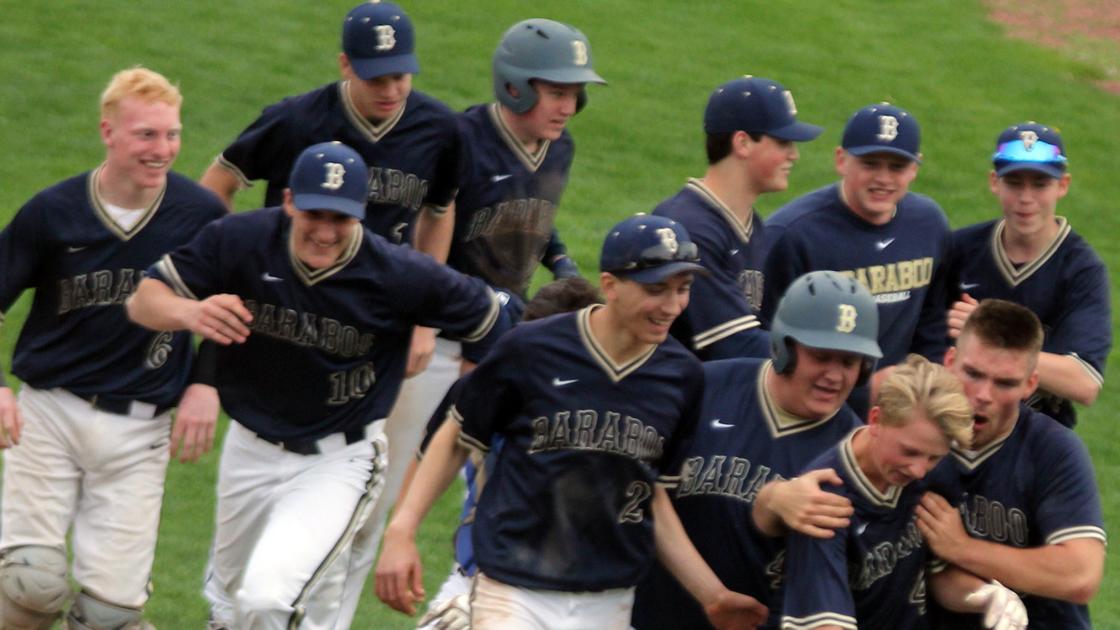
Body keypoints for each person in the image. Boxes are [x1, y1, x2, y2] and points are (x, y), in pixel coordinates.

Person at [126, 141, 508, 630]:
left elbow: (492, 321)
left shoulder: (398, 273)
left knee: (266, 601)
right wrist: (190, 312)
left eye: (341, 218)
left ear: (361, 215)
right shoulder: (241, 240)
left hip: (339, 461)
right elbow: (143, 300)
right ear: (288, 201)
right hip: (249, 447)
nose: (325, 232)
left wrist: (472, 385)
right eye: (315, 214)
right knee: (228, 610)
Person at [376, 214, 768, 629]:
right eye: (656, 290)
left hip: (610, 600)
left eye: (683, 290)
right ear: (611, 285)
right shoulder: (532, 348)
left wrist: (712, 594)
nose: (671, 306)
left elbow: (648, 492)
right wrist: (401, 530)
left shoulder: (682, 377)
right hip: (514, 587)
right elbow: (458, 436)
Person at [373, 16, 608, 580]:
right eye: (556, 91)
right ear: (515, 85)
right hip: (439, 343)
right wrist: (423, 323)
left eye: (575, 93)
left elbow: (532, 216)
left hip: (503, 343)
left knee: (499, 491)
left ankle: (470, 602)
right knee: (380, 496)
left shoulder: (559, 148)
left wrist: (563, 262)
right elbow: (421, 230)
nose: (568, 106)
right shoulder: (461, 141)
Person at [0, 67, 227, 630]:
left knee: (108, 616)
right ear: (108, 132)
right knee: (31, 584)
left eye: (172, 135)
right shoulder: (53, 212)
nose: (163, 149)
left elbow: (235, 309)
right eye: (146, 135)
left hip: (142, 429)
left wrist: (205, 382)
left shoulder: (201, 216)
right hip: (49, 414)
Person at [631, 270, 881, 629]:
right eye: (821, 356)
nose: (834, 376)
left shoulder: (855, 453)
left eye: (849, 362)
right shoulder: (705, 387)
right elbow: (641, 494)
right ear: (784, 348)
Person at [394, 277, 605, 630]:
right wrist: (401, 533)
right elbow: (430, 453)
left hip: (574, 597)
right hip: (479, 579)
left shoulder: (617, 409)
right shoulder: (487, 388)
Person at [770, 355, 1027, 629]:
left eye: (933, 457)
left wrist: (986, 596)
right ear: (876, 419)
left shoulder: (934, 473)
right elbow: (824, 624)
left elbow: (939, 576)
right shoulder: (823, 502)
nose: (918, 470)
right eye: (909, 452)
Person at [199, 1, 459, 251]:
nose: (390, 91)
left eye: (399, 77)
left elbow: (441, 208)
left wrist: (430, 280)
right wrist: (227, 256)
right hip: (293, 287)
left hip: (384, 289)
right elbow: (220, 178)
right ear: (345, 65)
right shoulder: (296, 121)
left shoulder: (439, 129)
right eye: (376, 80)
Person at [917, 299, 1106, 628]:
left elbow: (1080, 575)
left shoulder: (1054, 450)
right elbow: (929, 569)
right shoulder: (915, 439)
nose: (984, 395)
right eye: (973, 374)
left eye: (1005, 383)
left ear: (1030, 385)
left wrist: (962, 547)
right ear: (950, 362)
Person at [763, 103, 952, 415]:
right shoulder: (792, 234)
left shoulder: (928, 224)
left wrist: (921, 380)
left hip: (898, 410)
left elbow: (933, 320)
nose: (883, 178)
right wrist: (864, 391)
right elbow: (763, 341)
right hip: (808, 409)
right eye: (870, 163)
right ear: (841, 160)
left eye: (897, 167)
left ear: (915, 168)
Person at [945, 122, 1110, 427]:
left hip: (1037, 436)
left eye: (1040, 183)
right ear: (995, 182)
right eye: (1014, 182)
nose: (1026, 197)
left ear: (1063, 185)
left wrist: (988, 335)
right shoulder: (960, 248)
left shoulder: (1082, 270)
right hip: (956, 426)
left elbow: (1084, 382)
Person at [654, 75, 822, 360]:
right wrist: (820, 354)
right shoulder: (689, 228)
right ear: (743, 143)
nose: (794, 155)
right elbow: (731, 345)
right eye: (783, 142)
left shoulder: (752, 225)